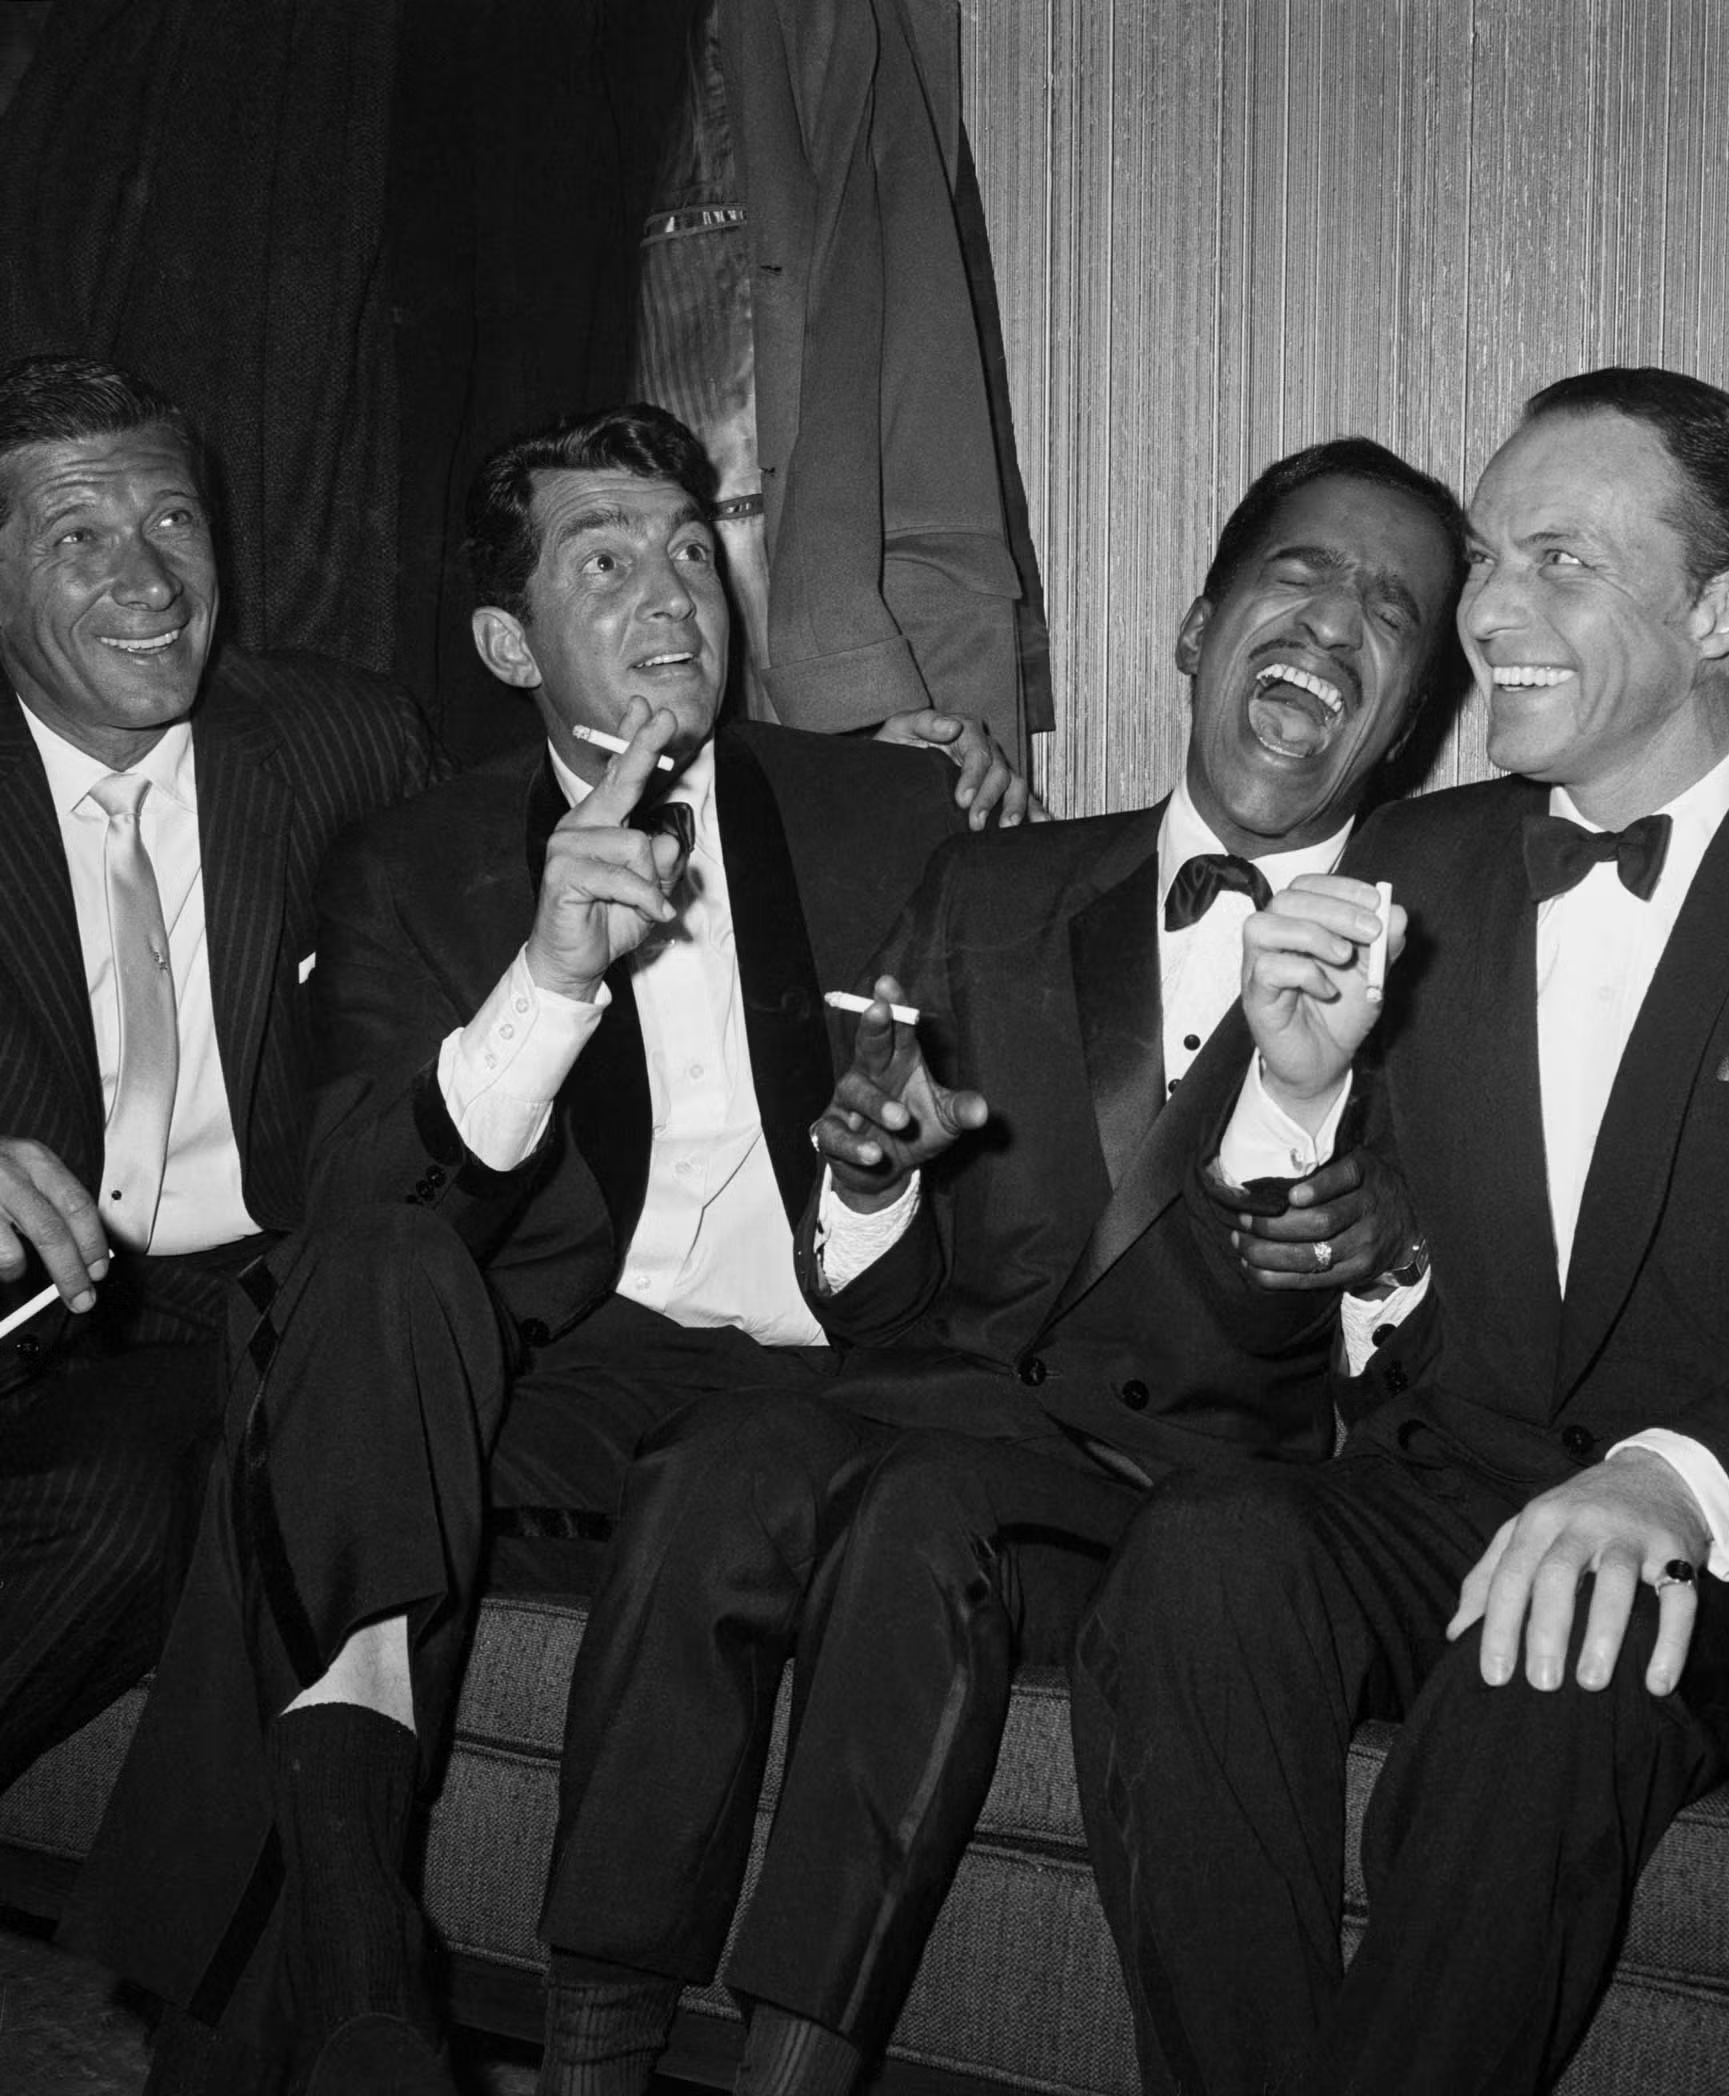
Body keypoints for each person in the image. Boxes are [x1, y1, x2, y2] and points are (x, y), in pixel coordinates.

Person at [1068, 367, 1729, 2096]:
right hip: (1450, 1495)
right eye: (1489, 558)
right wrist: (1293, 1102)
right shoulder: (1413, 863)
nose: (1488, 611)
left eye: (1559, 563)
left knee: (1558, 1659)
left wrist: (1671, 1485)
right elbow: (1308, 1306)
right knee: (1208, 1556)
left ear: (1724, 608)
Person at [63, 400, 1020, 2096]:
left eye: (686, 552)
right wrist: (549, 983)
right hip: (562, 1371)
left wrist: (881, 1175)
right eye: (604, 562)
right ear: (510, 641)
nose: (672, 596)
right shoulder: (413, 858)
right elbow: (344, 1182)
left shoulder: (894, 810)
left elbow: (973, 1197)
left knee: (274, 1469)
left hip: (829, 1370)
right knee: (350, 1283)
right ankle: (360, 1940)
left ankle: (281, 2018)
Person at [531, 436, 1467, 2096]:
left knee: (917, 1511)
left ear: (1410, 714)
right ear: (1196, 630)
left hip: (1179, 1499)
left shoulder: (1454, 956)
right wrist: (871, 1181)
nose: (1331, 627)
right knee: (719, 1452)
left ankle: (788, 2074)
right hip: (934, 1402)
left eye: (1389, 611)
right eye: (1297, 577)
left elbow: (1460, 1369)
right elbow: (875, 1297)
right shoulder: (992, 882)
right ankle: (593, 2044)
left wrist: (1377, 1252)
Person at [0, 352, 432, 1791]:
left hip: (240, 1305)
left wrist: (860, 778)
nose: (152, 582)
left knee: (151, 1507)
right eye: (80, 538)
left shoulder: (337, 739)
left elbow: (544, 820)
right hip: (11, 1310)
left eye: (174, 523)